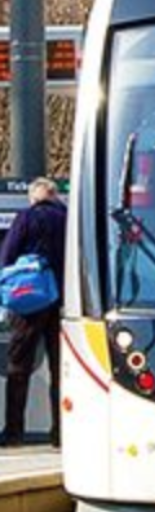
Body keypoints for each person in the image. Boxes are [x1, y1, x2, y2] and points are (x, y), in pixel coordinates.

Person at [0, 178, 66, 447]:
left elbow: (7, 255)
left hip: (29, 302)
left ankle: (15, 431)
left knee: (18, 365)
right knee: (61, 369)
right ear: (55, 196)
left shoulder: (26, 218)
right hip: (62, 301)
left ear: (33, 198)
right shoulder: (68, 219)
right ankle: (60, 432)